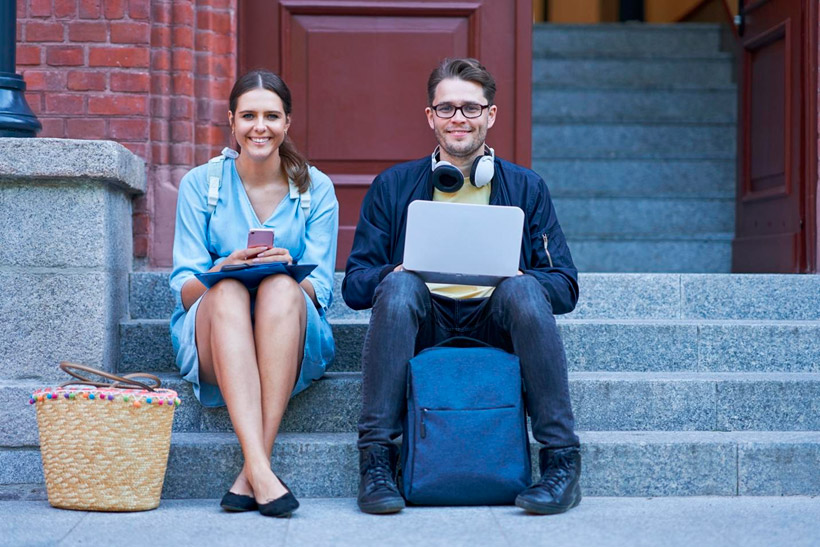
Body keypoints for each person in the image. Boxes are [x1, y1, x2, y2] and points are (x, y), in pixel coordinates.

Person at [342, 58, 581, 515]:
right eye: (447, 108)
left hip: (497, 322)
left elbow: (565, 286)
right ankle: (375, 461)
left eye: (471, 108)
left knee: (526, 289)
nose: (458, 118)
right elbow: (355, 285)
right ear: (430, 116)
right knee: (398, 288)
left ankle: (561, 462)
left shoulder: (527, 188)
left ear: (491, 115)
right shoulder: (392, 186)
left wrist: (522, 277)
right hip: (422, 322)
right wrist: (394, 273)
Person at [169, 69, 338, 518]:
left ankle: (252, 474)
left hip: (290, 331)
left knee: (281, 286)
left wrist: (283, 268)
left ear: (287, 124)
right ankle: (263, 472)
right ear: (231, 121)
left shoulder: (315, 188)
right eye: (248, 116)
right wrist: (221, 267)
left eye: (271, 116)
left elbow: (321, 292)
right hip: (215, 335)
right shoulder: (200, 185)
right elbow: (185, 292)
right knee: (224, 293)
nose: (259, 127)